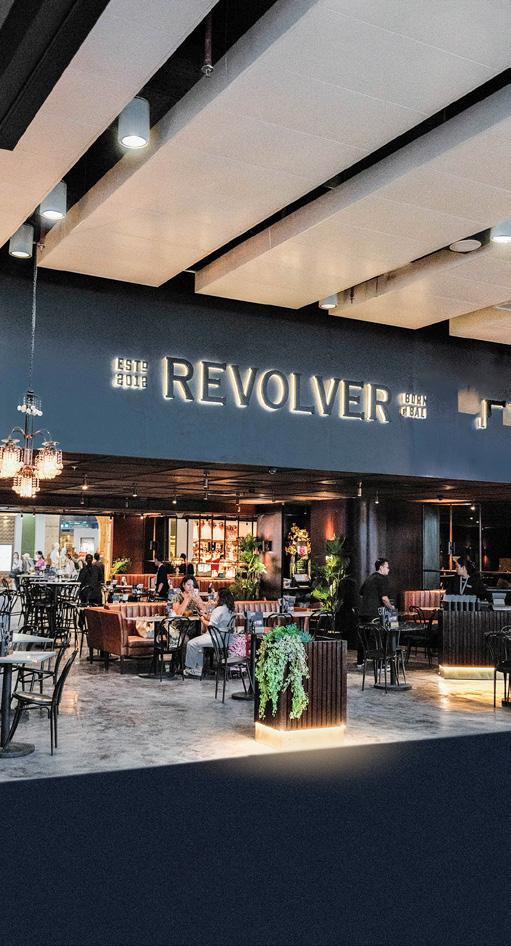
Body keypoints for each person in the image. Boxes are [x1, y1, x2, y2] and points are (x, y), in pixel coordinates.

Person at [183, 587, 235, 678]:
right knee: (198, 644)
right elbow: (216, 620)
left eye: (217, 595)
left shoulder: (219, 609)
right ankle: (197, 669)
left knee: (191, 643)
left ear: (221, 597)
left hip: (216, 638)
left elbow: (211, 625)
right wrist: (205, 615)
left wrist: (202, 619)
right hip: (226, 639)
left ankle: (191, 669)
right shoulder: (230, 609)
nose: (216, 597)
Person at [358, 558, 393, 668]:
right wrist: (391, 608)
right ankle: (381, 664)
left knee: (364, 636)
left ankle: (360, 661)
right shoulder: (382, 579)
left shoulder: (370, 577)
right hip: (375, 614)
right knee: (384, 634)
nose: (389, 569)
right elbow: (384, 598)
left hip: (363, 613)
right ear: (381, 567)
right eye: (387, 567)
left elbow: (361, 593)